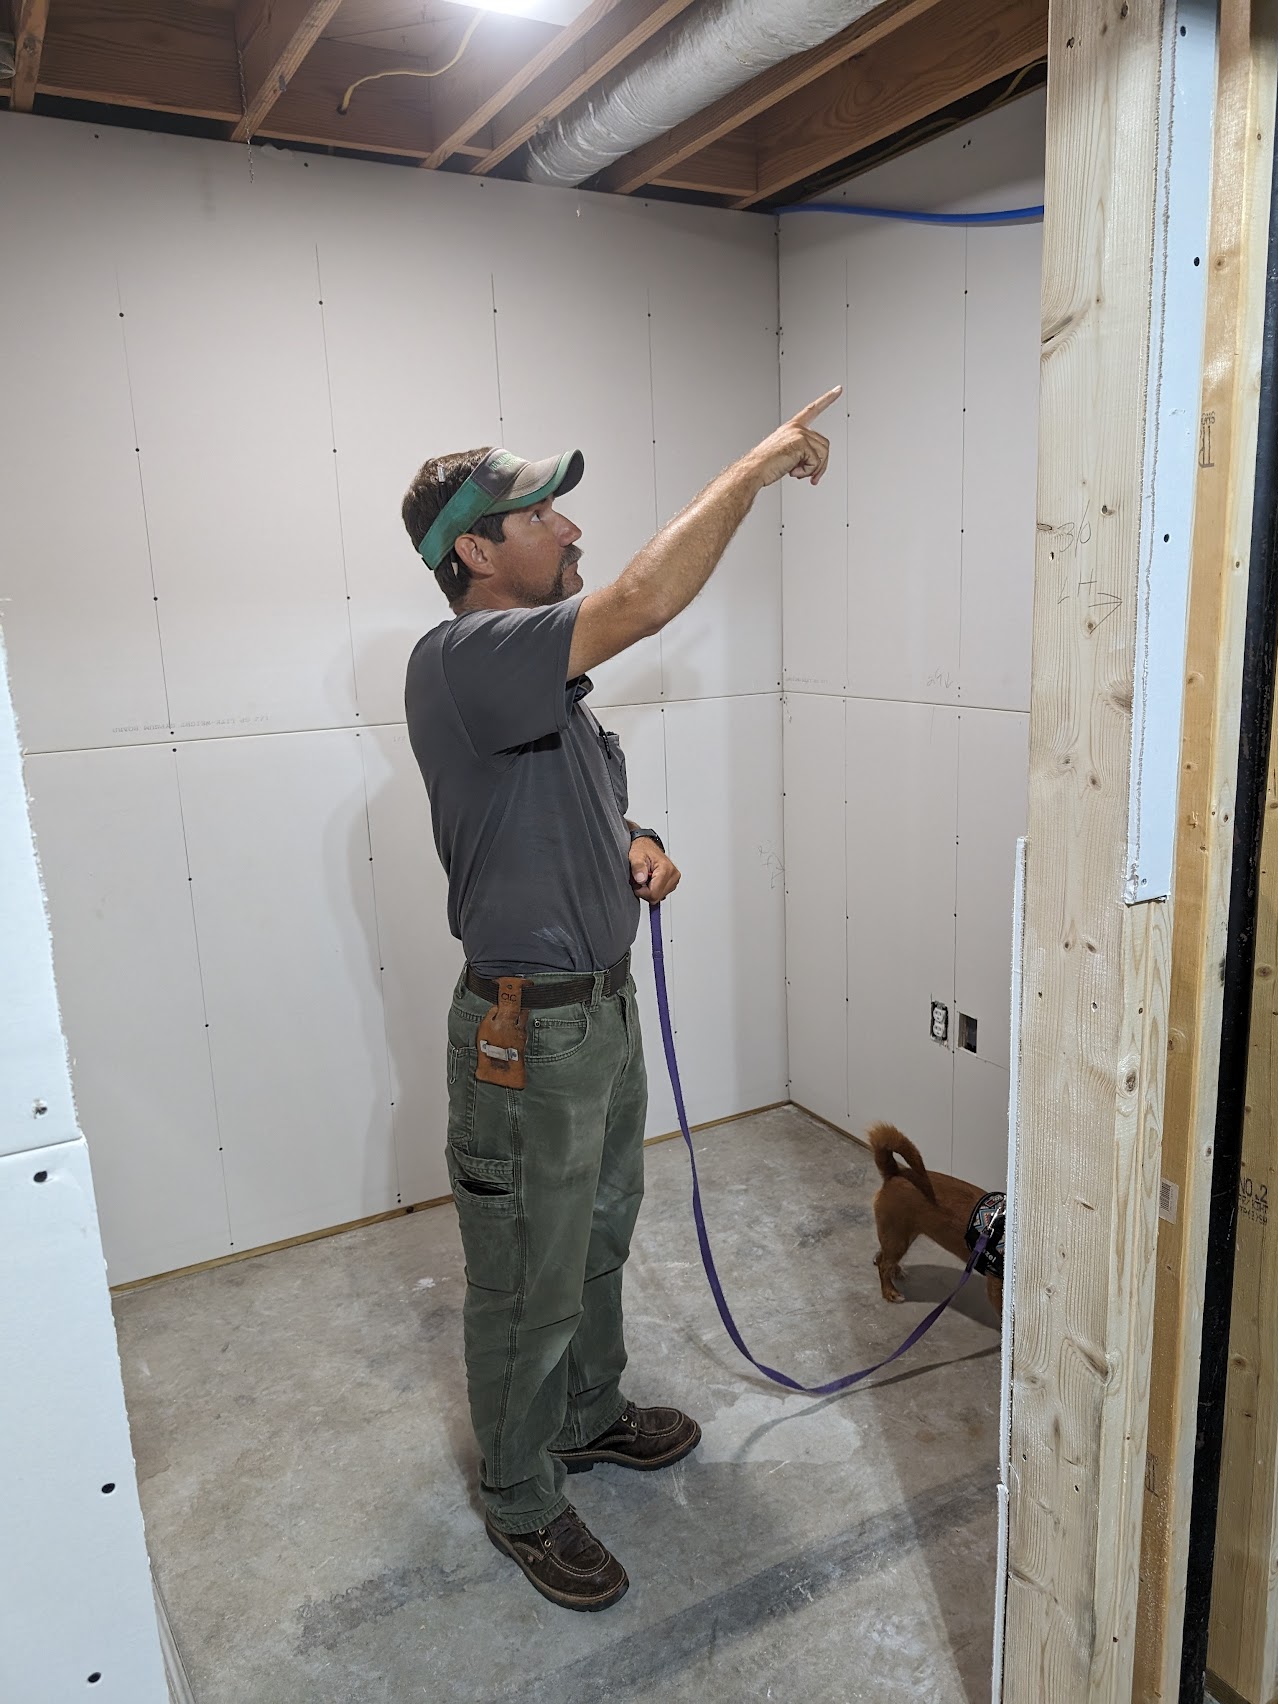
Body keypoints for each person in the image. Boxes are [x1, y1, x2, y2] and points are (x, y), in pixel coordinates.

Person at [401, 386, 840, 1613]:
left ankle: (587, 1416)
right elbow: (645, 601)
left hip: (594, 1017)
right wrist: (750, 471)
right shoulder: (463, 659)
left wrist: (634, 838)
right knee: (525, 1276)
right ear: (474, 551)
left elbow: (557, 808)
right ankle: (524, 1497)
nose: (572, 527)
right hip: (523, 1039)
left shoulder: (550, 701)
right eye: (539, 511)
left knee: (594, 1239)